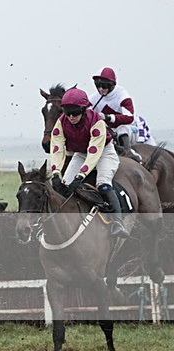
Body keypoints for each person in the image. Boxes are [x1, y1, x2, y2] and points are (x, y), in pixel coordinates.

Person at [48, 88, 129, 238]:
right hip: (81, 153)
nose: (71, 117)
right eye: (67, 112)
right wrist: (56, 173)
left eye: (75, 113)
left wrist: (80, 176)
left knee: (103, 184)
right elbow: (57, 149)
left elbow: (94, 152)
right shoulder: (61, 122)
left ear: (84, 110)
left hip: (103, 151)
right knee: (63, 186)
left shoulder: (96, 121)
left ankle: (118, 223)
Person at [88, 66, 143, 162]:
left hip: (130, 129)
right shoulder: (94, 98)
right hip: (109, 130)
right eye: (98, 86)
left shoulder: (123, 95)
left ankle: (129, 153)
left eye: (104, 86)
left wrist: (108, 117)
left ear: (112, 84)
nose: (101, 89)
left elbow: (129, 118)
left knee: (122, 129)